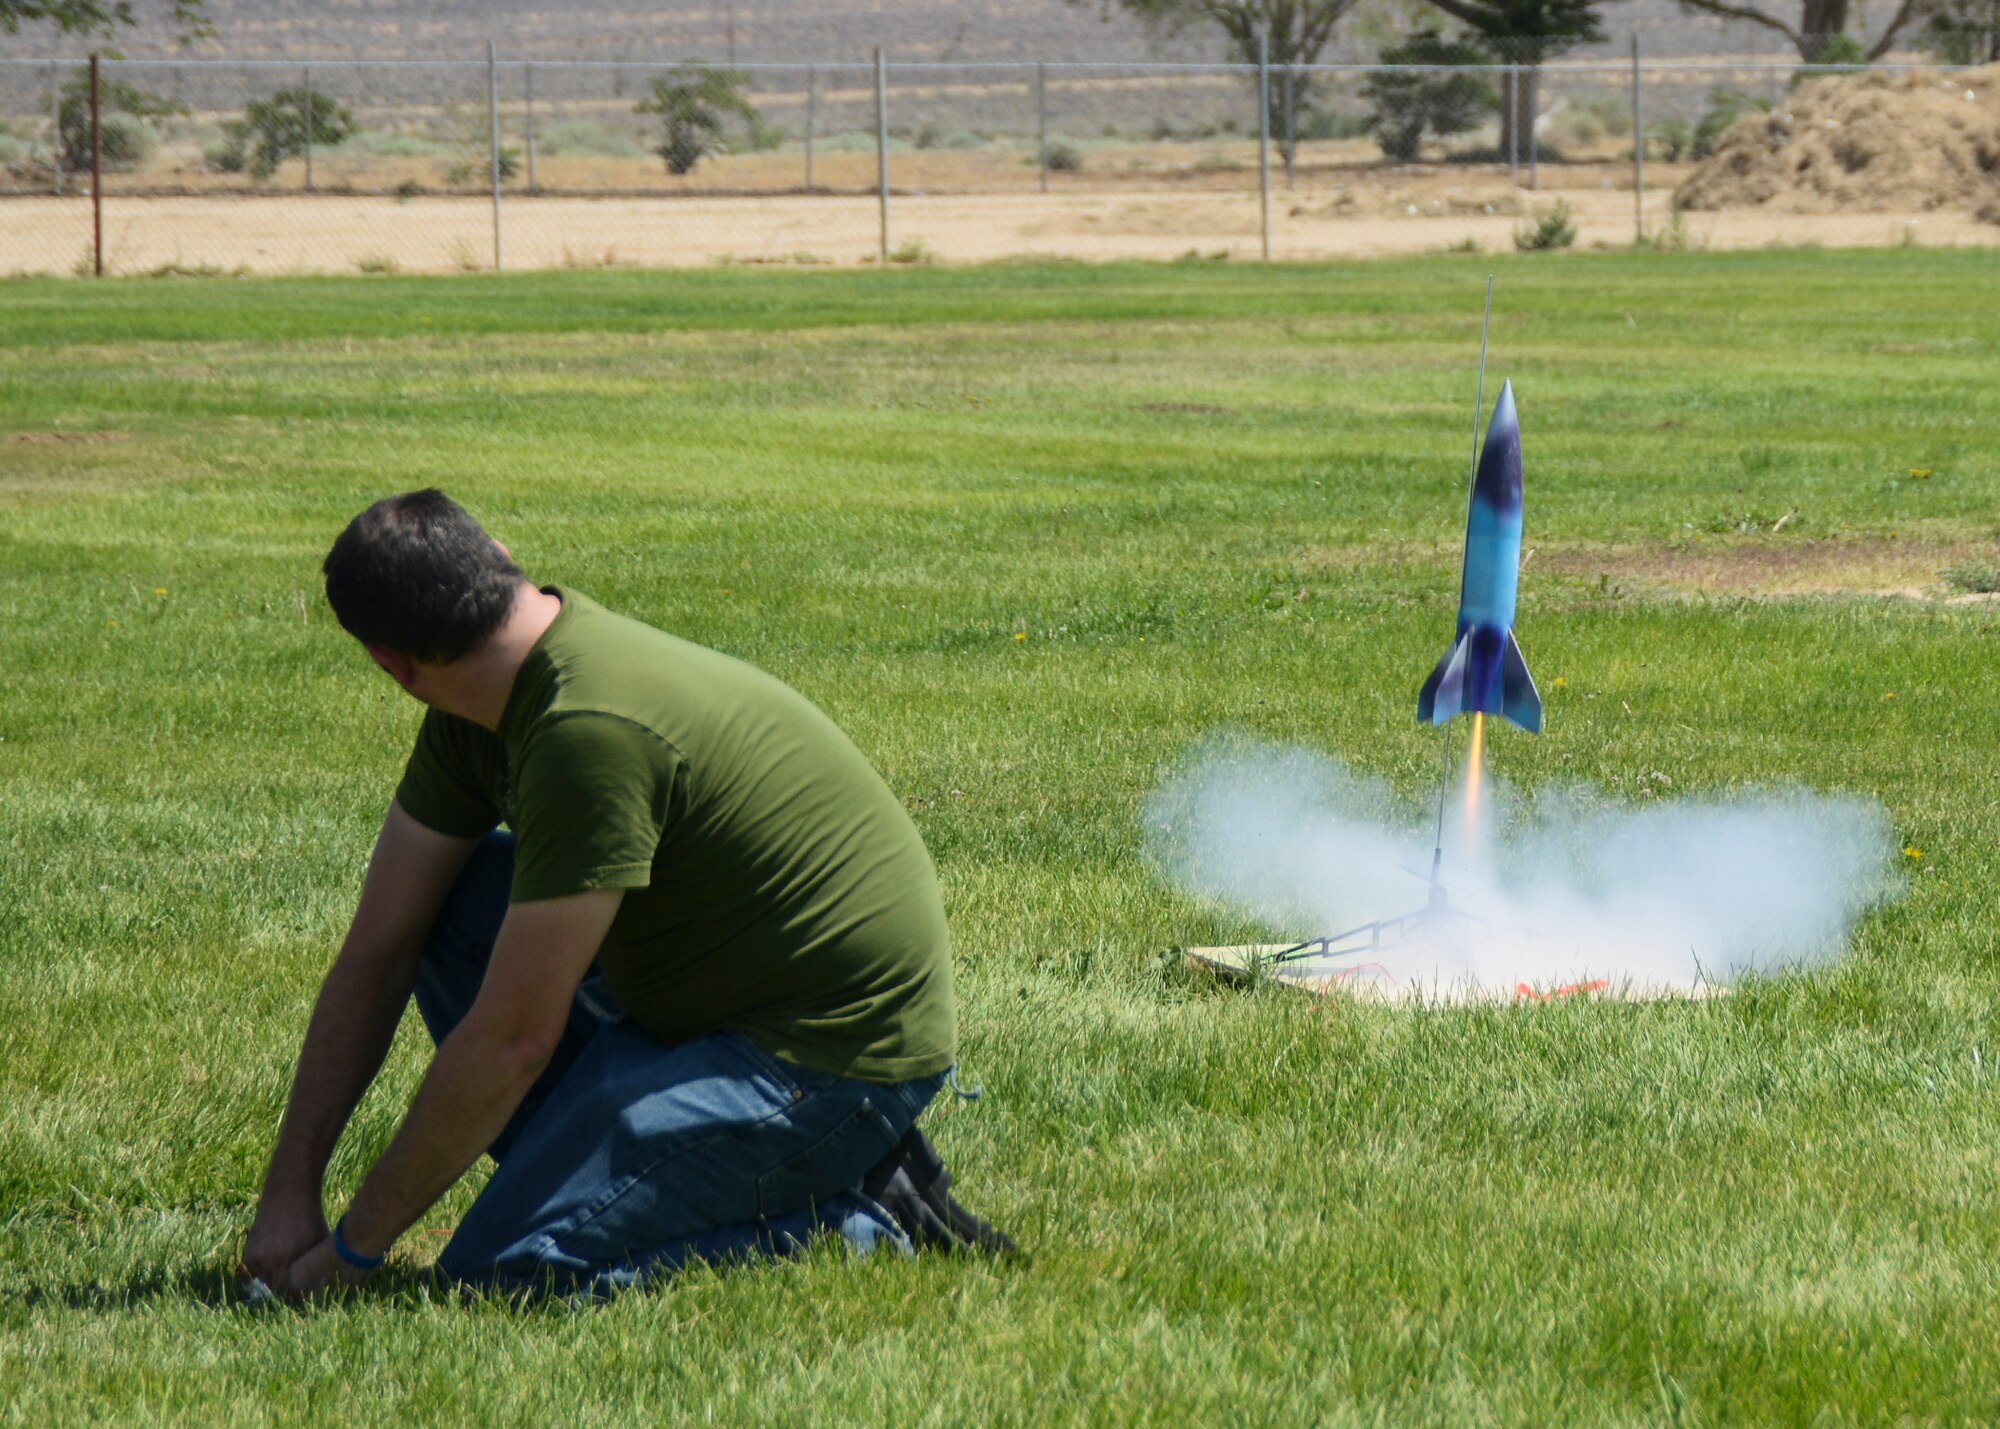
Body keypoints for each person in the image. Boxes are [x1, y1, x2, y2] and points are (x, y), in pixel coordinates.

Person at [242, 489, 1012, 1298]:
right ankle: (631, 1173)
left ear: (390, 664)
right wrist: (289, 1190)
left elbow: (512, 1041)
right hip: (714, 1005)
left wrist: (353, 1251)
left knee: (510, 1269)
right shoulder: (483, 711)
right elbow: (380, 946)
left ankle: (853, 1220)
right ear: (501, 556)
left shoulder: (585, 730)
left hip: (831, 1059)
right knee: (450, 905)